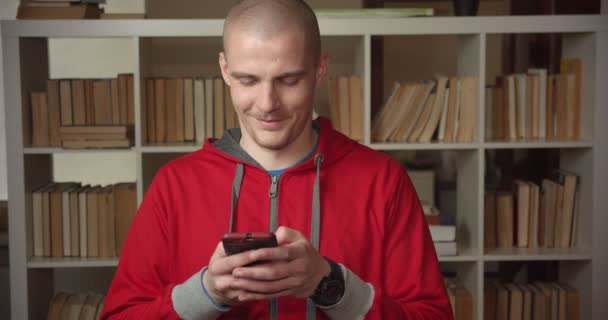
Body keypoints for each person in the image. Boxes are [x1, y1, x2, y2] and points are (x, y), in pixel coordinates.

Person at [101, 0, 453, 319]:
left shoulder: (384, 182)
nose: (268, 103)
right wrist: (205, 292)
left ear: (319, 69)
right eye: (248, 80)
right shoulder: (174, 185)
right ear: (224, 69)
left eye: (288, 80)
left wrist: (332, 286)